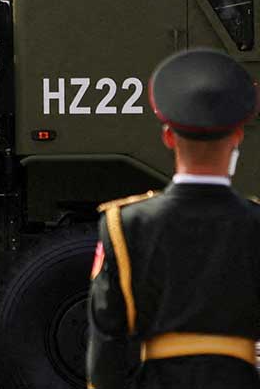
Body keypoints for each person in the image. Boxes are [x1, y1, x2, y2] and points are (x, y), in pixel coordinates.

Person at [87, 48, 260, 388]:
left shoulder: (126, 225)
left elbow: (107, 341)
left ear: (167, 136)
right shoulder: (254, 224)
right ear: (238, 136)